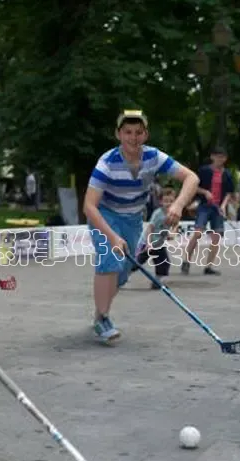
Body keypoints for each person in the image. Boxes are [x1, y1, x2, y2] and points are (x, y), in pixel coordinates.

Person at [84, 110, 199, 345]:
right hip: (105, 216)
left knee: (123, 272)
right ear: (118, 134)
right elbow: (89, 206)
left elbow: (191, 178)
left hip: (133, 218)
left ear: (145, 135)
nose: (133, 138)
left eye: (138, 132)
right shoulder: (107, 163)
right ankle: (104, 318)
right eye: (127, 132)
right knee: (109, 260)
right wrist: (112, 236)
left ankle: (99, 315)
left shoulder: (153, 157)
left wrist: (177, 205)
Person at [181, 146, 235, 276]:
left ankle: (208, 266)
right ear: (212, 157)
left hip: (218, 209)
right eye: (217, 156)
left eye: (222, 157)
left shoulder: (227, 174)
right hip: (205, 206)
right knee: (198, 233)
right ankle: (186, 261)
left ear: (225, 159)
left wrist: (223, 205)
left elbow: (229, 192)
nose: (219, 159)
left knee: (216, 237)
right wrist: (205, 192)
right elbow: (193, 186)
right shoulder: (204, 171)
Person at [132, 187, 177, 289]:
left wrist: (172, 233)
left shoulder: (173, 214)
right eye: (166, 201)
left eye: (171, 201)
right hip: (148, 242)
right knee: (137, 262)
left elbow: (175, 225)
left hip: (158, 244)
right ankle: (120, 277)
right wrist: (148, 243)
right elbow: (150, 228)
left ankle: (157, 282)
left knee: (164, 262)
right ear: (161, 201)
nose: (168, 203)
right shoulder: (158, 213)